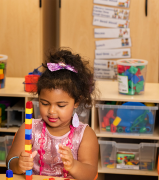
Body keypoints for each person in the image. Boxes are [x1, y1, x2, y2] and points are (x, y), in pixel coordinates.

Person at [6, 49, 99, 180]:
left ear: (76, 102)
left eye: (61, 105)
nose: (52, 111)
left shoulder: (85, 135)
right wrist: (18, 164)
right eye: (44, 103)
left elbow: (90, 174)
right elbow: (9, 162)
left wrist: (74, 166)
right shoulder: (29, 128)